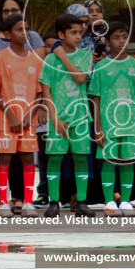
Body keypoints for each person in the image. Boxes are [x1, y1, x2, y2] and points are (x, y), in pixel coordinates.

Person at [0, 13, 45, 215]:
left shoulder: (35, 60)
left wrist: (31, 114)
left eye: (26, 29)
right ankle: (3, 201)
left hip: (28, 118)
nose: (24, 33)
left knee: (28, 157)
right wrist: (10, 115)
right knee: (5, 158)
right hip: (7, 119)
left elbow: (40, 91)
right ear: (7, 34)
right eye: (19, 30)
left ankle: (28, 202)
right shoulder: (0, 58)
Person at [39, 12, 95, 218]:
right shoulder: (49, 61)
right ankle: (54, 201)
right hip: (58, 119)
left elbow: (81, 78)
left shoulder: (85, 56)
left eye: (80, 32)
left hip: (80, 117)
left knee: (81, 159)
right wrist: (55, 119)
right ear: (61, 34)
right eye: (73, 32)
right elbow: (46, 92)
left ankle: (81, 201)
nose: (79, 36)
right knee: (55, 159)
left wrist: (63, 56)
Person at [90, 22, 135, 215]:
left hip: (130, 123)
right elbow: (95, 98)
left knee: (128, 161)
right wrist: (97, 127)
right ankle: (109, 202)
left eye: (124, 37)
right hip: (108, 124)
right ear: (107, 41)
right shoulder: (101, 67)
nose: (121, 41)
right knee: (109, 161)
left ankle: (126, 202)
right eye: (116, 38)